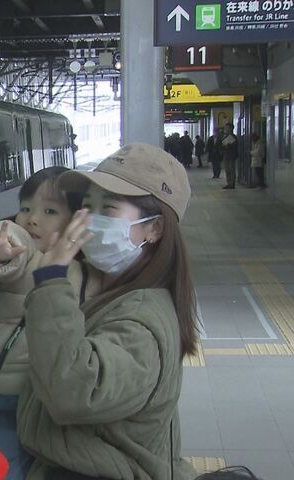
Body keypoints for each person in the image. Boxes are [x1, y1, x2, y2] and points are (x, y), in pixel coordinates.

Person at [16, 143, 199, 480]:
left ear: (154, 228)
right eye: (87, 206)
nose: (91, 221)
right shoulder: (115, 285)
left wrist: (51, 280)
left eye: (108, 209)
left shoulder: (142, 322)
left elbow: (73, 391)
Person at [0, 166, 102, 479]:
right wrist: (2, 249)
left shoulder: (87, 273)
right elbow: (13, 243)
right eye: (25, 208)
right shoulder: (28, 255)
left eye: (50, 211)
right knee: (3, 466)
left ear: (76, 221)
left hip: (42, 397)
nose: (32, 219)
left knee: (36, 464)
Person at [221, 123, 238, 189]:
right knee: (227, 169)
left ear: (231, 128)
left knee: (231, 169)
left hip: (231, 156)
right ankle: (229, 182)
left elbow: (233, 146)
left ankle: (232, 183)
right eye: (225, 127)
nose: (226, 129)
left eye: (227, 127)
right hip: (226, 155)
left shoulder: (233, 137)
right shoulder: (225, 136)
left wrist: (227, 145)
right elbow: (222, 145)